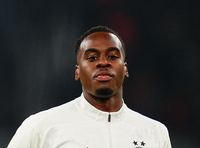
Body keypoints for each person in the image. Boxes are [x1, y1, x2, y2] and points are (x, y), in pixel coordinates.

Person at [8, 26, 172, 148]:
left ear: (125, 69)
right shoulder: (41, 126)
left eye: (112, 56)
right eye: (92, 57)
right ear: (77, 72)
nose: (103, 62)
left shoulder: (155, 132)